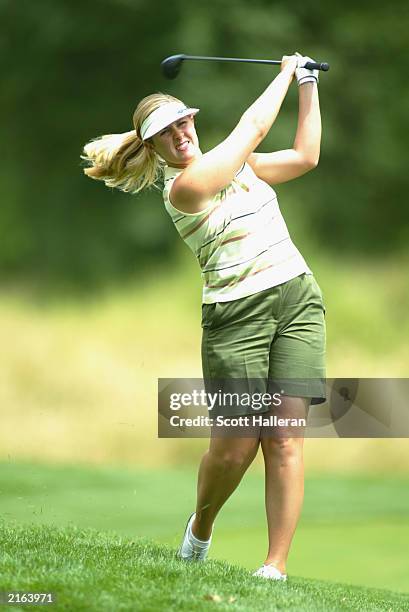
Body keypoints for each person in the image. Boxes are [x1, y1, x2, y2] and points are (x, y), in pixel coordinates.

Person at [82, 52, 326, 582]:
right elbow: (253, 127)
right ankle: (201, 527)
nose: (182, 133)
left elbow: (306, 156)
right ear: (153, 147)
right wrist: (284, 71)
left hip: (297, 299)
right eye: (168, 131)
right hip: (237, 316)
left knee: (285, 436)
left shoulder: (242, 168)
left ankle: (274, 567)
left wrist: (308, 85)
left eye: (185, 121)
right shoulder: (184, 189)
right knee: (235, 447)